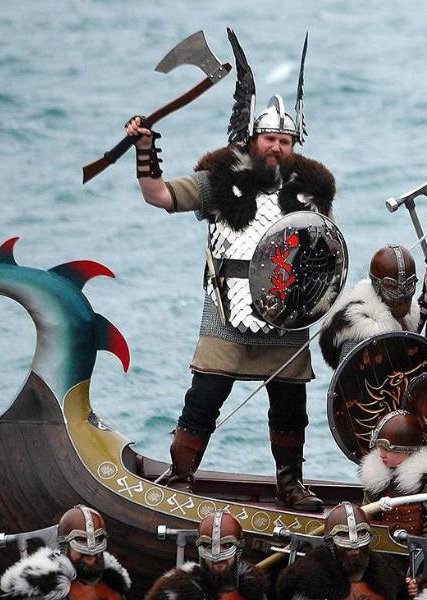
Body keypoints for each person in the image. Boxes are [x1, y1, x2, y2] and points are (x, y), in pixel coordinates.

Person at [124, 30, 335, 511]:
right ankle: (181, 477)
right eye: (269, 138)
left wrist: (313, 301)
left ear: (294, 144)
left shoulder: (310, 194)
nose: (276, 147)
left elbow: (325, 259)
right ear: (252, 139)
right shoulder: (219, 181)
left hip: (286, 315)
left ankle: (290, 485)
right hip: (227, 314)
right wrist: (144, 149)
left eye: (284, 141)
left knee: (290, 409)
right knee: (203, 400)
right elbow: (158, 195)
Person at [319, 244, 427, 368]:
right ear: (377, 287)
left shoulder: (399, 317)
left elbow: (405, 344)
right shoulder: (358, 333)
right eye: (393, 287)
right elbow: (350, 380)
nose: (402, 295)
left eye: (408, 285)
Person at [0, 505, 130, 600]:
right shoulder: (41, 593)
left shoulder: (113, 585)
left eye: (98, 540)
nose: (91, 552)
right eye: (81, 541)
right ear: (65, 547)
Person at [276, 502, 403, 600]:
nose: (354, 548)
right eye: (343, 535)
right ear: (331, 541)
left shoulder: (387, 574)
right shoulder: (309, 579)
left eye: (361, 533)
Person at [358, 410, 427, 535]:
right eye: (380, 448)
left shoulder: (424, 478)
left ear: (407, 450)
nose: (382, 454)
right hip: (384, 539)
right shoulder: (376, 477)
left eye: (388, 449)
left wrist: (424, 538)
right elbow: (368, 510)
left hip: (415, 539)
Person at [145, 510, 266, 600]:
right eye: (208, 546)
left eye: (226, 545)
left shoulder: (252, 587)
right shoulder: (177, 589)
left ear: (238, 547)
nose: (216, 555)